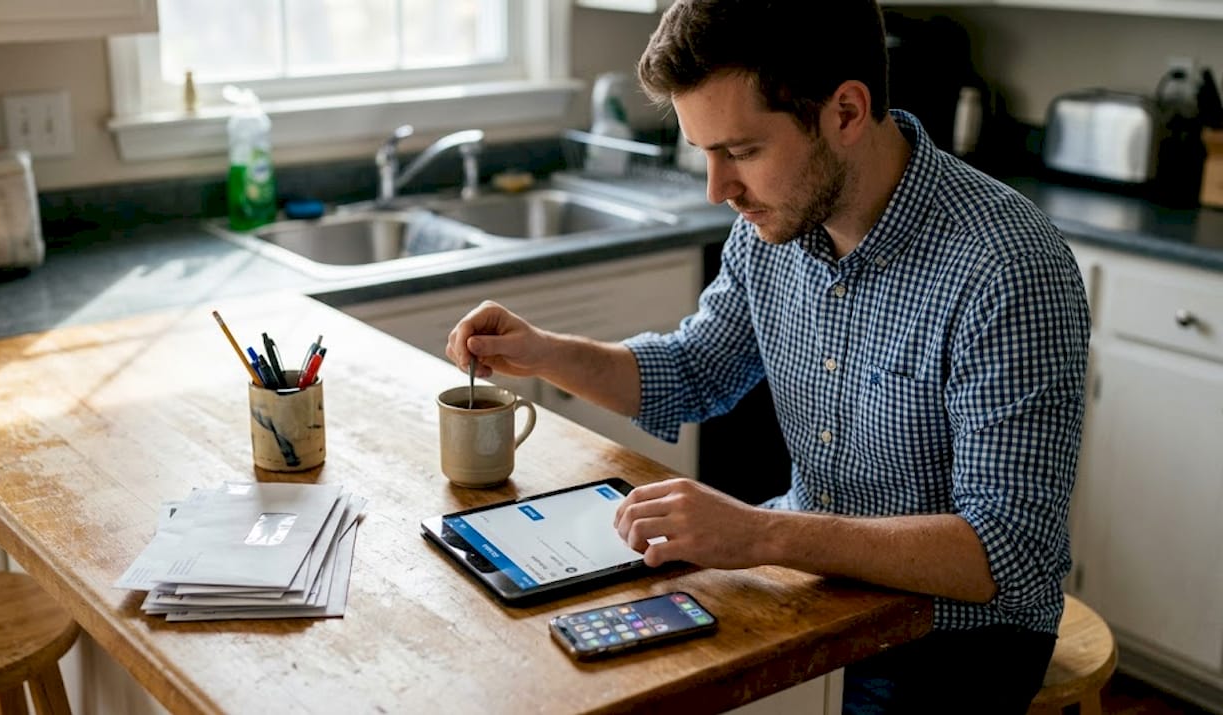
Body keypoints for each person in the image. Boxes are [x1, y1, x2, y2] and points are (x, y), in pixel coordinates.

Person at [445, 1, 1090, 712]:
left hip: (950, 640)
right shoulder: (771, 231)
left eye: (742, 152)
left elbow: (1007, 549)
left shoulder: (1007, 267)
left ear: (846, 112)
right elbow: (693, 372)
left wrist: (757, 531)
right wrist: (540, 351)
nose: (718, 190)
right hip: (807, 587)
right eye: (706, 154)